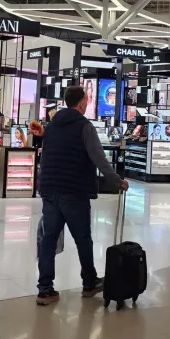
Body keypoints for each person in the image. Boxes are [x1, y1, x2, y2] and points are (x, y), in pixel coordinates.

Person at [36, 85, 128, 306]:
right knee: (83, 239)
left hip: (49, 189)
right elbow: (99, 159)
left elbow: (47, 154)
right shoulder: (84, 127)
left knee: (48, 240)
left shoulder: (52, 125)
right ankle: (89, 282)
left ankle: (45, 289)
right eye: (86, 100)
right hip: (73, 191)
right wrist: (118, 181)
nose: (87, 103)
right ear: (81, 103)